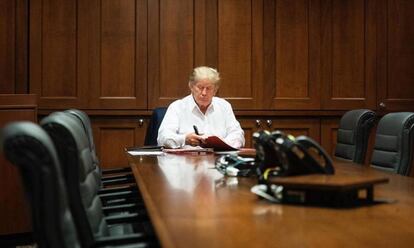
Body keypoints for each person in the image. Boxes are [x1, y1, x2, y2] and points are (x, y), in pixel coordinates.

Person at [157, 66, 245, 148]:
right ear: (191, 86)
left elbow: (238, 135)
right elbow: (163, 138)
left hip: (217, 160)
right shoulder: (177, 107)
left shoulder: (224, 106)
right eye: (200, 87)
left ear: (215, 90)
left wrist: (223, 143)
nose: (204, 93)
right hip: (186, 161)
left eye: (209, 88)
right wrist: (185, 139)